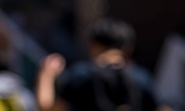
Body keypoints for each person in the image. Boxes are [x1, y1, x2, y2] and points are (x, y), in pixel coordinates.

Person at [36, 18, 164, 111]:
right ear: (128, 50)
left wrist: (46, 75)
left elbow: (48, 109)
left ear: (93, 45)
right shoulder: (140, 77)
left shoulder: (82, 74)